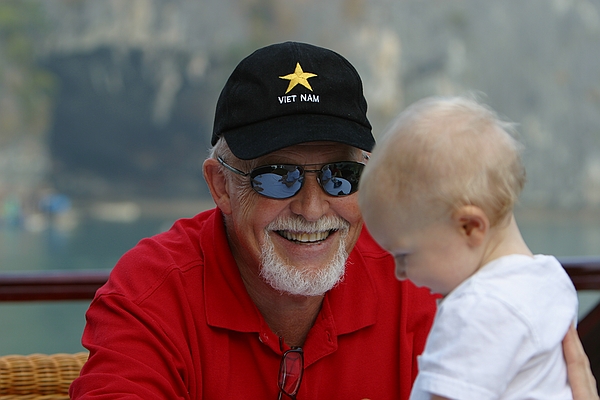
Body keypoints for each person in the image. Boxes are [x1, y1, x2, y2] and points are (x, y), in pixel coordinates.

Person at [69, 43, 597, 399]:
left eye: (342, 176)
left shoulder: (421, 283)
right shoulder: (152, 293)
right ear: (220, 186)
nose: (313, 206)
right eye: (278, 177)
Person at [358, 95, 583, 399]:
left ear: (470, 227)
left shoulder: (476, 310)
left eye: (404, 255)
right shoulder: (549, 278)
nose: (399, 273)